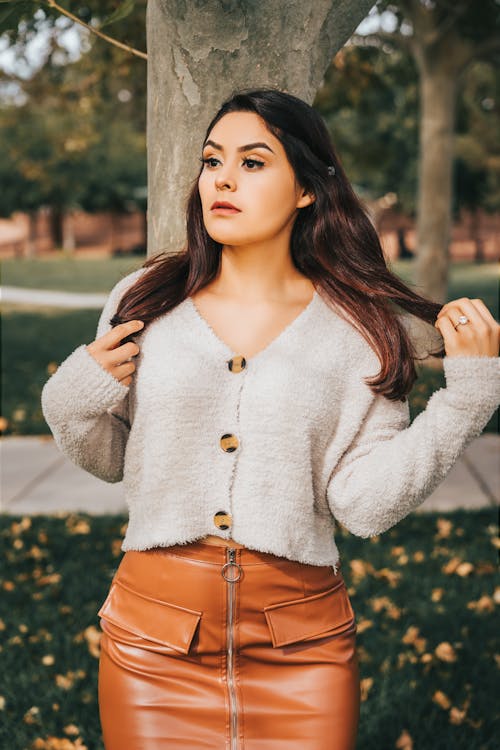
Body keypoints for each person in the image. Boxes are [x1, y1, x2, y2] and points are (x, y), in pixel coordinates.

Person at [41, 87, 500, 750]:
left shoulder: (361, 328)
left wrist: (467, 401)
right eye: (212, 160)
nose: (222, 179)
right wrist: (69, 398)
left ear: (308, 190)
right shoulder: (145, 298)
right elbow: (111, 456)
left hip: (303, 648)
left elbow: (364, 506)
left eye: (253, 163)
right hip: (153, 641)